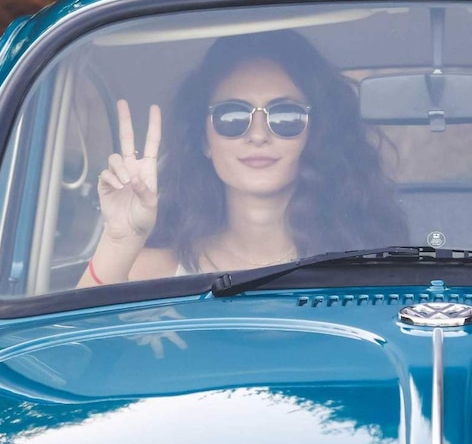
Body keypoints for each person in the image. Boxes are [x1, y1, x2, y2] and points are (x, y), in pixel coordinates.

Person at [79, 30, 406, 286]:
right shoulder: (154, 271)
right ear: (204, 141)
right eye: (232, 117)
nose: (258, 134)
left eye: (285, 116)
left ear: (314, 135)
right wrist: (120, 239)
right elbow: (70, 363)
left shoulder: (364, 270)